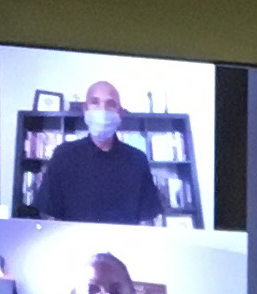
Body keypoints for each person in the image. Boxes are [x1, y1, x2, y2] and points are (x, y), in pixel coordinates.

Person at [30, 81, 163, 224]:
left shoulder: (137, 160)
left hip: (124, 244)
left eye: (110, 104)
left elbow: (147, 216)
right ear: (85, 109)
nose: (103, 110)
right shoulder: (63, 155)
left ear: (120, 112)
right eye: (95, 102)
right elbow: (48, 213)